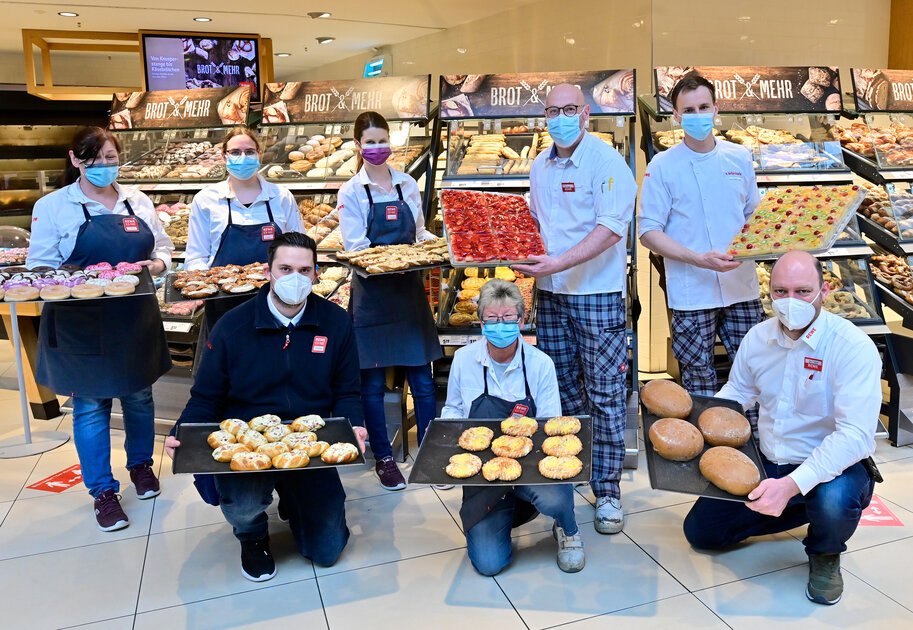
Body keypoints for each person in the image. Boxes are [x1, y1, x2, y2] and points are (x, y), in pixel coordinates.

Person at [165, 232, 367, 582]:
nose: (295, 278)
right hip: (247, 437)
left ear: (317, 274)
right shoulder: (233, 326)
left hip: (308, 437)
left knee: (327, 550)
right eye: (285, 268)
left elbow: (347, 389)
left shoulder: (335, 323)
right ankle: (252, 536)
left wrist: (356, 425)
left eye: (304, 270)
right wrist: (182, 432)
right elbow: (207, 395)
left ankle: (293, 494)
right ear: (268, 272)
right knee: (242, 506)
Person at [682, 251, 880, 605]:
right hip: (771, 459)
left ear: (825, 290)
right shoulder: (759, 338)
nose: (790, 302)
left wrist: (793, 483)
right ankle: (800, 505)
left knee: (834, 502)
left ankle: (824, 550)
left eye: (803, 291)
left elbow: (854, 436)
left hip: (833, 467)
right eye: (780, 291)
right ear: (769, 292)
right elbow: (738, 392)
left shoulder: (852, 347)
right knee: (702, 533)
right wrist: (701, 421)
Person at [27, 126, 173, 531]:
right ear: (75, 159)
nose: (104, 166)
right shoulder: (54, 206)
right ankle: (103, 492)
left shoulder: (137, 200)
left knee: (140, 396)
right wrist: (81, 276)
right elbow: (40, 264)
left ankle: (141, 466)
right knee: (91, 407)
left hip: (134, 314)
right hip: (81, 322)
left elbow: (162, 247)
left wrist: (157, 265)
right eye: (95, 159)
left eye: (111, 158)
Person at [524, 83, 637, 534]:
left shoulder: (606, 161)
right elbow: (537, 222)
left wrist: (556, 261)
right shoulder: (539, 164)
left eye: (569, 109)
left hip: (596, 294)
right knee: (564, 391)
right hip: (550, 295)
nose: (561, 117)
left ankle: (608, 489)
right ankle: (571, 475)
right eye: (553, 110)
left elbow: (611, 228)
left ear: (586, 113)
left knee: (606, 393)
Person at [441, 280, 584, 574]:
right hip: (485, 471)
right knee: (489, 564)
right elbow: (453, 409)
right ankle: (504, 511)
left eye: (508, 318)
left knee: (554, 496)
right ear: (481, 321)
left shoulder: (540, 363)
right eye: (492, 319)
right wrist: (441, 449)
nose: (500, 325)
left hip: (531, 463)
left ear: (521, 319)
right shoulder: (464, 360)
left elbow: (550, 424)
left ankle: (568, 529)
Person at [639, 74, 763, 399]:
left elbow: (755, 216)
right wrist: (698, 259)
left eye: (704, 106)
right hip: (691, 293)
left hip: (742, 288)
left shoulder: (739, 157)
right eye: (689, 110)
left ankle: (753, 445)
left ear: (716, 108)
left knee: (753, 373)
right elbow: (648, 233)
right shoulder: (662, 165)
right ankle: (707, 446)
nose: (698, 115)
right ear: (676, 116)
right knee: (698, 380)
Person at [337, 111, 442, 491]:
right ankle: (383, 457)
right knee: (373, 387)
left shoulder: (407, 184)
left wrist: (439, 247)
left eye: (383, 140)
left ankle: (431, 454)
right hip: (373, 298)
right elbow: (356, 248)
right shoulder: (351, 191)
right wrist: (392, 258)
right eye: (370, 142)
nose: (378, 148)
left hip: (409, 293)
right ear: (358, 146)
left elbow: (417, 233)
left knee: (423, 381)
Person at [184, 126, 304, 332]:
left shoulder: (281, 197)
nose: (243, 157)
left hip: (277, 303)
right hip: (223, 307)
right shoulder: (206, 200)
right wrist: (211, 286)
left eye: (249, 152)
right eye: (235, 152)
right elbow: (196, 257)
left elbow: (300, 251)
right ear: (224, 157)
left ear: (259, 155)